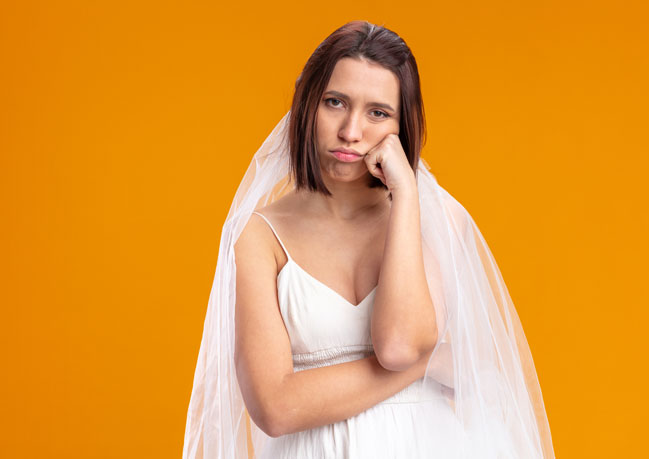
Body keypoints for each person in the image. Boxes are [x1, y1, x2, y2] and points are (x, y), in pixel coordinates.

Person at [183, 20, 555, 459]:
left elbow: (398, 344)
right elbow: (275, 407)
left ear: (402, 124)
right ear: (307, 105)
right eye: (335, 103)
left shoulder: (437, 219)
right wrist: (430, 362)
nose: (351, 132)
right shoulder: (258, 236)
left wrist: (407, 197)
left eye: (378, 112)